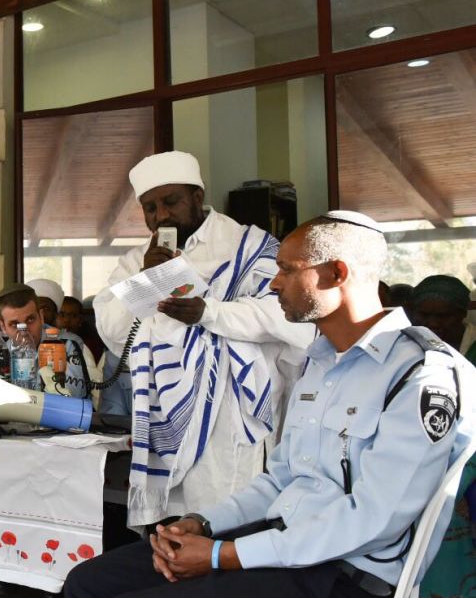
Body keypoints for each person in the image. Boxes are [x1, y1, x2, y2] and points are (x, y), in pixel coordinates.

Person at [65, 210, 475, 598]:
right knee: (88, 587)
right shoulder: (321, 362)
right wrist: (205, 524)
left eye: (286, 270)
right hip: (284, 548)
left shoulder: (422, 374)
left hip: (345, 582)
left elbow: (372, 520)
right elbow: (280, 477)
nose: (274, 283)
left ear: (336, 273)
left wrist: (224, 556)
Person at [93, 151, 314, 528]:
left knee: (225, 522)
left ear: (197, 197)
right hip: (161, 412)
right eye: (150, 208)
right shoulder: (136, 260)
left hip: (229, 413)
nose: (161, 215)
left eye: (171, 202)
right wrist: (146, 281)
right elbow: (113, 331)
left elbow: (287, 317)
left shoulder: (247, 246)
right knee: (169, 528)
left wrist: (208, 313)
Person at [405, 274, 476, 598]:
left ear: (462, 315)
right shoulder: (409, 348)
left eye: (443, 316)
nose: (434, 323)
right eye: (425, 315)